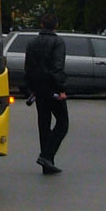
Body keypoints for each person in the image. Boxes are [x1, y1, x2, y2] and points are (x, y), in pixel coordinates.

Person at [24, 12, 68, 174]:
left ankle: (47, 163)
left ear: (41, 25)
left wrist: (30, 89)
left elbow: (28, 68)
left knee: (44, 123)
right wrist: (61, 88)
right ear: (56, 26)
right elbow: (57, 67)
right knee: (62, 123)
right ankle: (46, 155)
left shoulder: (32, 43)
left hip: (38, 88)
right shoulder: (58, 42)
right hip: (52, 88)